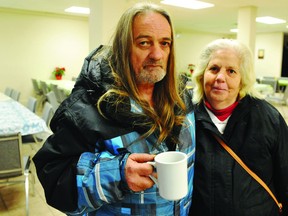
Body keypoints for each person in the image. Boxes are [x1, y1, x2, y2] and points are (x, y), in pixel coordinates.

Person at [33, 2, 195, 215]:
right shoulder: (90, 106)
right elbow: (55, 178)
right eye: (144, 43)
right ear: (123, 47)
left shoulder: (182, 99)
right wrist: (117, 174)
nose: (157, 54)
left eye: (165, 43)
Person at [189, 38, 288, 216]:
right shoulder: (184, 117)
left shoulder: (269, 118)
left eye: (231, 71)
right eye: (214, 69)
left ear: (243, 79)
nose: (220, 77)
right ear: (202, 73)